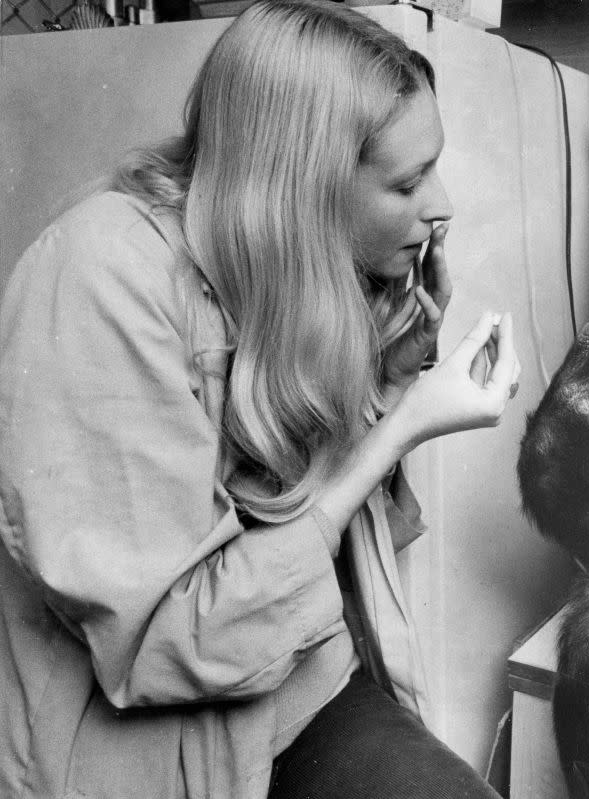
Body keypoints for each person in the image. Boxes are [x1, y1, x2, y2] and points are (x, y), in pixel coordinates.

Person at [0, 2, 520, 797]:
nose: (441, 203)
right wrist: (399, 426)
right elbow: (166, 642)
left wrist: (389, 374)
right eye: (409, 181)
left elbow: (293, 504)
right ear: (301, 185)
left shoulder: (289, 264)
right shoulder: (100, 275)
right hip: (156, 744)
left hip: (296, 687)